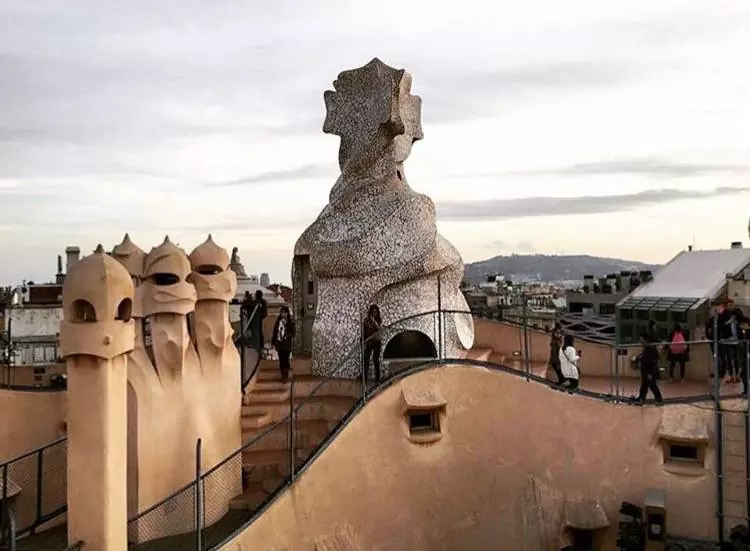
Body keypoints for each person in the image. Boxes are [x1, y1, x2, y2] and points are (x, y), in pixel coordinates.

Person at [636, 321, 663, 404]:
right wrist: (639, 357)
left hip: (649, 371)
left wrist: (651, 373)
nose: (640, 341)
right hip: (646, 370)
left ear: (646, 340)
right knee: (647, 385)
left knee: (650, 385)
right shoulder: (647, 348)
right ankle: (642, 397)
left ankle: (657, 399)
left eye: (641, 339)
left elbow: (652, 362)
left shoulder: (650, 349)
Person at [271, 306, 295, 383]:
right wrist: (273, 342)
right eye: (281, 312)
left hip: (286, 344)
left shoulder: (290, 322)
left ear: (287, 313)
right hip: (280, 343)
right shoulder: (278, 321)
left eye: (284, 312)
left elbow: (293, 333)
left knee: (286, 359)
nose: (282, 314)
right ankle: (283, 375)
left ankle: (286, 376)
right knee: (281, 360)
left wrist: (286, 326)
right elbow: (275, 332)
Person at [363, 304, 382, 385]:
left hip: (377, 342)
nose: (374, 313)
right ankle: (365, 379)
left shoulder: (379, 320)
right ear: (370, 312)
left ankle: (377, 379)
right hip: (369, 342)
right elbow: (364, 331)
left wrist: (374, 321)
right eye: (373, 312)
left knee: (375, 360)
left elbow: (379, 328)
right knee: (366, 360)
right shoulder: (366, 320)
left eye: (376, 312)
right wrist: (363, 340)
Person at [254, 289, 268, 356]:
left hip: (258, 319)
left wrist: (260, 316)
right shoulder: (256, 301)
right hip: (254, 320)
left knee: (259, 332)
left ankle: (260, 347)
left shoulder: (262, 302)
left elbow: (265, 313)